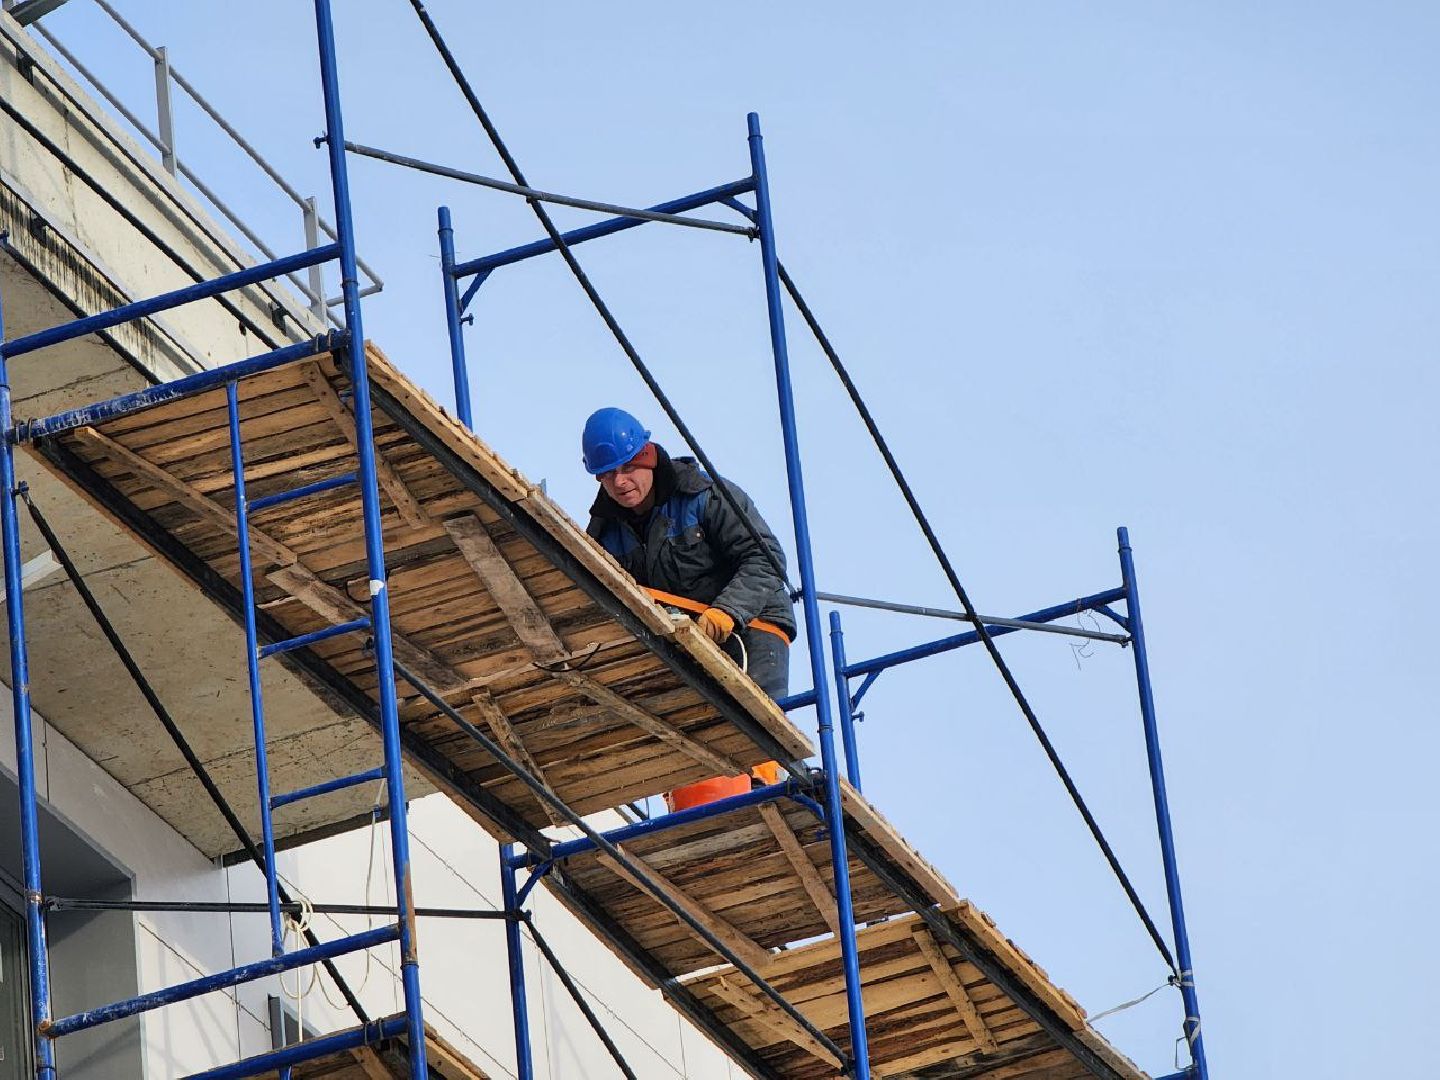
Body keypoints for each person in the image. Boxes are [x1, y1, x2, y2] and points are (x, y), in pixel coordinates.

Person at [582, 407, 794, 805]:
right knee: (692, 756)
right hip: (682, 641)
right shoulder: (603, 532)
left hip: (753, 626)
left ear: (647, 456)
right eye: (608, 475)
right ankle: (696, 810)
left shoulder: (705, 495)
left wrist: (725, 613)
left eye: (628, 468)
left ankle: (765, 797)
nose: (620, 482)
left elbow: (765, 562)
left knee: (753, 743)